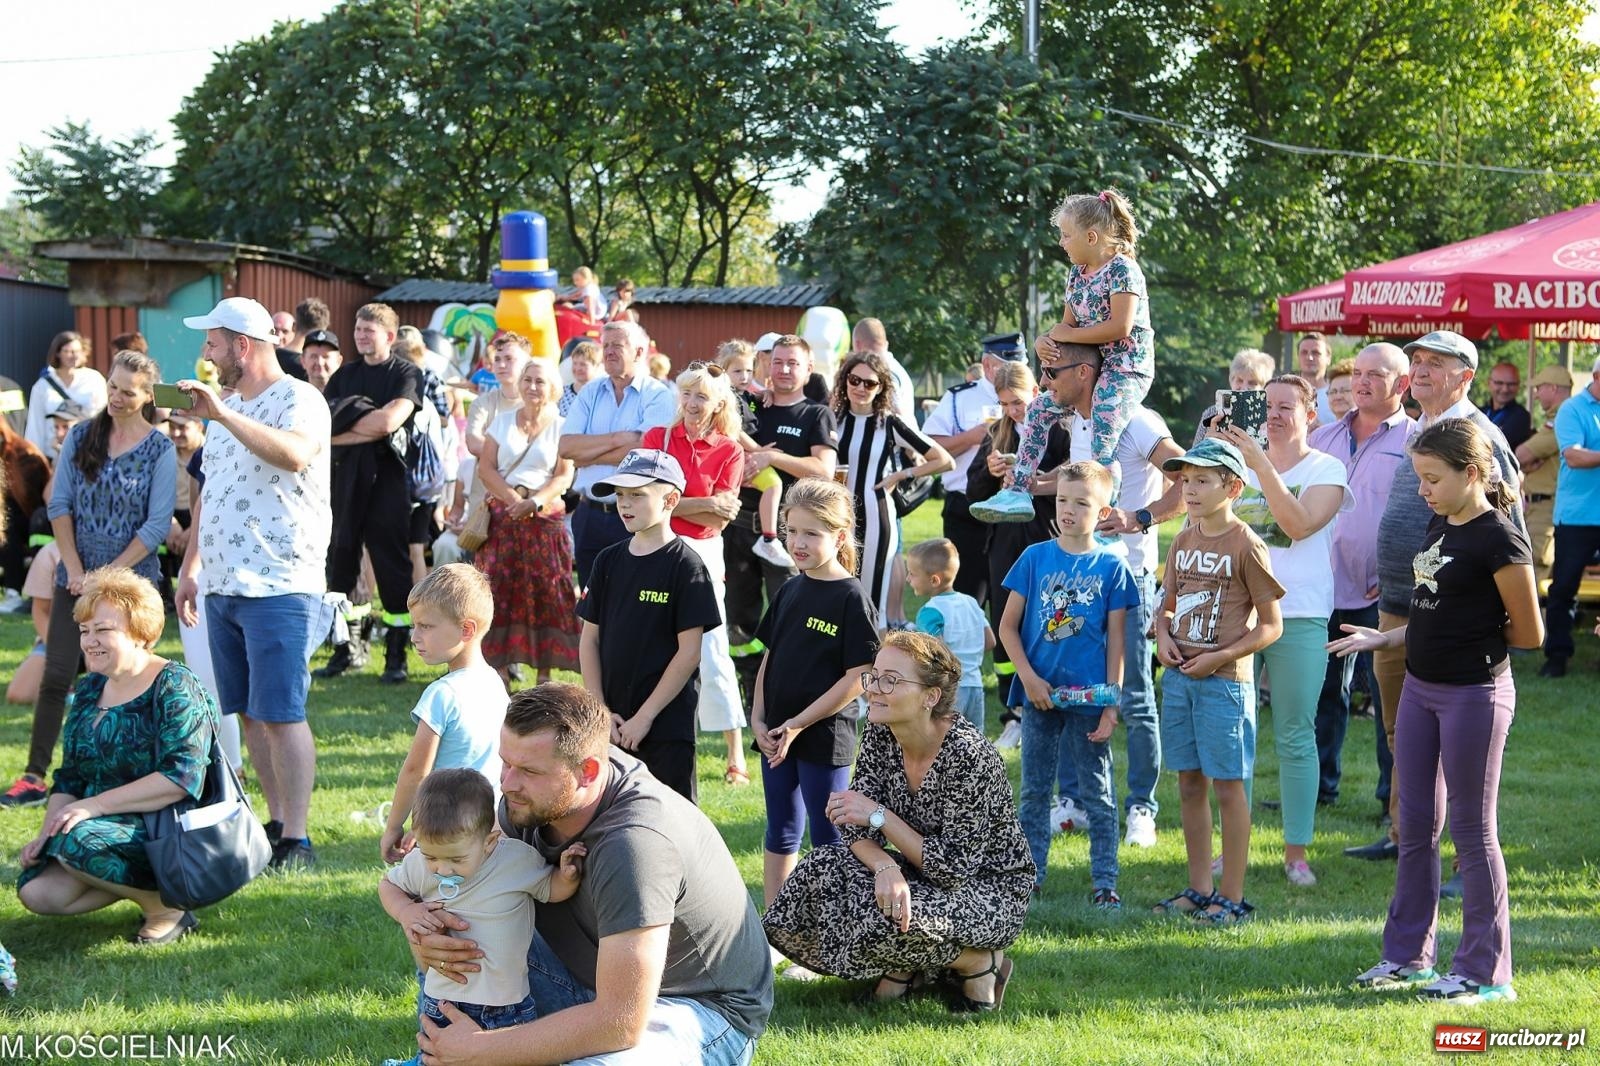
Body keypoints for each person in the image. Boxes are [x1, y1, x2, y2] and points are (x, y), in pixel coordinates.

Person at [411, 683, 774, 1065]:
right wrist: (426, 930)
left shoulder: (635, 844)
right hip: (592, 975)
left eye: (529, 771)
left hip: (701, 1010)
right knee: (457, 930)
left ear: (588, 772)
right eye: (506, 762)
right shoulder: (533, 800)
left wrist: (485, 1049)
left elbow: (621, 1022)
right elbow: (458, 888)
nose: (507, 784)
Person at [1334, 418, 1542, 1005]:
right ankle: (1406, 958)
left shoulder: (1499, 538)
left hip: (1474, 696)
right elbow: (1432, 609)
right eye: (1418, 477)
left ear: (1471, 474)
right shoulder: (1439, 521)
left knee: (1474, 834)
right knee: (1415, 829)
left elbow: (1528, 632)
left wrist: (1457, 638)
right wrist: (1389, 640)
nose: (1422, 489)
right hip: (1420, 691)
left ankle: (1486, 972)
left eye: (1432, 478)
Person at [761, 631, 1033, 1009]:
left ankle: (977, 962)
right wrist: (885, 866)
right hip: (916, 869)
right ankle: (911, 967)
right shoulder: (880, 728)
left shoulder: (971, 758)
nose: (874, 689)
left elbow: (952, 868)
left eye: (891, 680)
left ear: (930, 696)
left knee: (882, 912)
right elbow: (853, 821)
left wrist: (881, 817)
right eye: (875, 676)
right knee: (820, 871)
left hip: (987, 890)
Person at [176, 295, 334, 870]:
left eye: (213, 343)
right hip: (223, 585)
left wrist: (222, 416)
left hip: (280, 582)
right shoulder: (226, 408)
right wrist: (191, 568)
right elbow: (209, 496)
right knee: (246, 711)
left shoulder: (300, 399)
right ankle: (272, 822)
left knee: (282, 711)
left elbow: (294, 455)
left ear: (243, 345)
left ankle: (298, 836)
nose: (207, 354)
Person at [1359, 331, 1521, 864]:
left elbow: (1507, 533)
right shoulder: (1420, 431)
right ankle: (1407, 839)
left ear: (1465, 377)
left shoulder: (1480, 438)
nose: (1421, 369)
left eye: (1437, 362)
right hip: (1401, 604)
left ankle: (1463, 857)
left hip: (1457, 618)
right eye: (1417, 360)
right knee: (1401, 731)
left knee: (1460, 746)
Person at [3, 350, 176, 810]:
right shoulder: (82, 435)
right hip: (74, 578)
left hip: (133, 588)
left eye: (128, 391)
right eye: (113, 388)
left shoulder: (160, 449)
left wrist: (107, 577)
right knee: (57, 674)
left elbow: (157, 524)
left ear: (148, 397)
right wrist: (78, 571)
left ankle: (123, 778)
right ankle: (34, 776)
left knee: (127, 680)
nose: (117, 398)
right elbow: (59, 506)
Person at [16, 567, 216, 945]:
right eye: (84, 631)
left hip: (169, 827)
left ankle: (167, 909)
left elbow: (182, 778)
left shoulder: (174, 685)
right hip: (102, 820)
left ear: (141, 634)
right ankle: (141, 888)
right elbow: (71, 777)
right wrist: (46, 835)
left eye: (103, 630)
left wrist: (94, 807)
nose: (89, 641)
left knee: (78, 843)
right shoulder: (91, 688)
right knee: (35, 890)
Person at [1216, 374, 1351, 886]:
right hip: (1236, 614)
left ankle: (1296, 853)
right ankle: (1233, 851)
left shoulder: (1327, 467)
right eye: (1265, 405)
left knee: (1295, 733)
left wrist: (1259, 464)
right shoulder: (1239, 464)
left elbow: (1296, 525)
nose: (1273, 414)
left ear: (1310, 415)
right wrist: (1215, 451)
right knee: (1235, 737)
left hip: (1300, 613)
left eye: (1285, 406)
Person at [1053, 343, 1188, 848]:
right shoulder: (1077, 422)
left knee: (1133, 698)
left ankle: (1141, 809)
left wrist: (1141, 518)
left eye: (1054, 370)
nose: (1047, 379)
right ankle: (1075, 802)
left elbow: (1185, 476)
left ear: (1084, 372)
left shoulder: (1136, 420)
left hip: (1127, 579)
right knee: (1072, 689)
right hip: (1077, 576)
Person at [1153, 437, 1284, 923]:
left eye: (1202, 480)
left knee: (1228, 786)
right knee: (1189, 782)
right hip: (1181, 680)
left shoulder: (1247, 545)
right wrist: (1163, 635)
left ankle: (1231, 895)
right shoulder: (1184, 539)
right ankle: (1198, 887)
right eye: (1185, 480)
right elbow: (1166, 605)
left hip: (1225, 683)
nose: (1189, 489)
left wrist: (1220, 657)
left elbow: (1272, 627)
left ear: (1232, 487)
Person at [380, 768, 586, 1066]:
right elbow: (388, 885)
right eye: (431, 856)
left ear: (489, 842)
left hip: (508, 1005)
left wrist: (567, 876)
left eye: (456, 859)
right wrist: (406, 910)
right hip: (444, 1001)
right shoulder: (421, 865)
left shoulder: (516, 860)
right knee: (439, 1058)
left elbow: (549, 888)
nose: (442, 869)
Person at [1000, 462, 1138, 904]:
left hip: (1089, 701)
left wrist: (1111, 704)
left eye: (1081, 503)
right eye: (1062, 500)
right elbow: (1007, 628)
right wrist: (1029, 679)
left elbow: (1117, 641)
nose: (1068, 510)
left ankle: (1105, 883)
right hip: (1038, 696)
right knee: (1035, 791)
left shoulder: (1112, 568)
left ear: (1103, 512)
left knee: (1098, 793)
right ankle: (1029, 878)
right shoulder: (1034, 558)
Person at [974, 189, 1154, 521]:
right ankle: (1018, 492)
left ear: (1091, 236)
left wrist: (1068, 334)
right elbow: (1066, 326)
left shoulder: (1123, 270)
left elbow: (1120, 327)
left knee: (1104, 418)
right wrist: (1047, 341)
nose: (1061, 242)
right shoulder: (1076, 274)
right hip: (1087, 365)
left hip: (1124, 369)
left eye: (1066, 235)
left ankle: (1102, 502)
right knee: (1040, 407)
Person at [750, 478, 876, 915]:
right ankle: (776, 926)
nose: (797, 543)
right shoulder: (789, 587)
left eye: (811, 534)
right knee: (781, 829)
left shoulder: (851, 597)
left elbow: (858, 677)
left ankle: (830, 930)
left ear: (840, 537)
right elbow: (770, 656)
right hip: (775, 736)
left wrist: (800, 724)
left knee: (828, 835)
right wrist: (759, 719)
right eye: (791, 531)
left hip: (823, 739)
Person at [1306, 344, 1411, 844]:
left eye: (1376, 375)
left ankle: (1392, 798)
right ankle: (1320, 785)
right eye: (1360, 373)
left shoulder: (1416, 442)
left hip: (1384, 593)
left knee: (1390, 703)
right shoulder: (1322, 436)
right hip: (1322, 587)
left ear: (1402, 385)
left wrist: (1395, 576)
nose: (1362, 383)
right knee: (1323, 693)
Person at [578, 450, 721, 803]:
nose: (625, 504)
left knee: (671, 826)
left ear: (671, 499)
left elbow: (688, 654)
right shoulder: (607, 561)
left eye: (638, 494)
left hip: (665, 727)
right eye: (621, 494)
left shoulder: (687, 567)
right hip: (611, 725)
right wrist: (600, 713)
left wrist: (644, 717)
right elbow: (589, 641)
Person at [641, 363, 753, 786]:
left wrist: (670, 499)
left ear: (719, 403)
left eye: (701, 396)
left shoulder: (729, 449)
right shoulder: (657, 438)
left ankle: (734, 751)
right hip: (657, 546)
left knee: (712, 648)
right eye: (687, 394)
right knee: (652, 643)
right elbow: (646, 499)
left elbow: (722, 518)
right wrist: (696, 501)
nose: (691, 403)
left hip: (704, 552)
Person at [722, 336, 837, 690]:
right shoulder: (749, 406)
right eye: (778, 362)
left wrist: (773, 457)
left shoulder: (816, 413)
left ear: (807, 370)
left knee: (791, 610)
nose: (784, 369)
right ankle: (749, 684)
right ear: (766, 365)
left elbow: (824, 470)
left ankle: (789, 685)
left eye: (793, 363)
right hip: (739, 524)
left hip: (789, 533)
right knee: (738, 615)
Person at [321, 302, 426, 683]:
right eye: (358, 329)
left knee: (392, 568)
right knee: (341, 565)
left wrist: (348, 422)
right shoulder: (343, 376)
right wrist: (355, 424)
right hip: (345, 478)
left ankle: (396, 655)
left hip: (387, 481)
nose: (362, 336)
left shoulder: (406, 373)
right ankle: (346, 649)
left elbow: (387, 422)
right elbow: (322, 428)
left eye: (370, 330)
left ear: (390, 337)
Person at [961, 360, 1061, 749]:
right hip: (1003, 544)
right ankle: (1013, 713)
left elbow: (1077, 480)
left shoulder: (1059, 428)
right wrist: (989, 471)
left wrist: (1035, 479)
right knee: (1006, 627)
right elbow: (972, 493)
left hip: (1045, 539)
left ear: (1036, 393)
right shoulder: (998, 433)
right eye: (1004, 404)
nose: (1012, 412)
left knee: (1048, 623)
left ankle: (1049, 706)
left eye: (1017, 402)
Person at [379, 566, 508, 864]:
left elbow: (415, 771)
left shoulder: (441, 694)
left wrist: (393, 826)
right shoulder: (495, 684)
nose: (414, 637)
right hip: (492, 826)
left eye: (426, 626)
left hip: (446, 831)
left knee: (411, 899)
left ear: (466, 630)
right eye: (414, 626)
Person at [472, 360, 580, 682]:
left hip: (545, 523)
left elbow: (564, 475)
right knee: (499, 594)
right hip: (503, 522)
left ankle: (544, 675)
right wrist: (514, 501)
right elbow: (486, 468)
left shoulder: (563, 426)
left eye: (540, 382)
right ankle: (500, 672)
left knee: (547, 593)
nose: (533, 387)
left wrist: (535, 501)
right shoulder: (502, 422)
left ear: (553, 388)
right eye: (528, 380)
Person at [830, 350, 953, 624]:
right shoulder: (831, 419)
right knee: (835, 594)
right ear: (844, 381)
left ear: (881, 387)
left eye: (870, 383)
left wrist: (902, 474)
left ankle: (873, 665)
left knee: (873, 602)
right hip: (835, 517)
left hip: (877, 516)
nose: (861, 387)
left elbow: (944, 460)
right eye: (854, 380)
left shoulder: (889, 423)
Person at [559, 319, 676, 587]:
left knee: (632, 598)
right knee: (591, 601)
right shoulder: (590, 391)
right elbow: (566, 448)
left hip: (636, 516)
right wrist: (619, 437)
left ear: (638, 352)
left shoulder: (657, 395)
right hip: (588, 515)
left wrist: (588, 455)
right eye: (606, 345)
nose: (609, 351)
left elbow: (647, 451)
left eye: (617, 345)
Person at [921, 333, 1026, 604]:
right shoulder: (959, 398)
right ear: (988, 365)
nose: (1014, 370)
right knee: (967, 599)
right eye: (1006, 364)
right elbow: (928, 446)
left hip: (1015, 513)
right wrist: (972, 436)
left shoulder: (1032, 397)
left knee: (1012, 600)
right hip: (967, 511)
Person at [1540, 353, 1600, 678]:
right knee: (1564, 588)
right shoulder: (1572, 409)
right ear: (1596, 376)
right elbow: (1574, 457)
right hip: (1577, 516)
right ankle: (1557, 656)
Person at [905, 538, 993, 730]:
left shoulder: (930, 611)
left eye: (912, 574)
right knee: (973, 745)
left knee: (942, 744)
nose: (908, 579)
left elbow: (937, 653)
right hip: (975, 686)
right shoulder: (971, 603)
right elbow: (990, 641)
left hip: (950, 690)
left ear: (934, 580)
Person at [1513, 365, 1573, 587]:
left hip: (1546, 510)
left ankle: (1536, 623)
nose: (1535, 394)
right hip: (1539, 507)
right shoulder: (1561, 417)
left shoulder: (1564, 419)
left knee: (1536, 575)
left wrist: (1526, 463)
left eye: (1539, 388)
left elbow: (1520, 454)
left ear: (1553, 388)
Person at [25, 331, 107, 459]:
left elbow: (103, 416)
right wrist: (35, 457)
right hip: (54, 455)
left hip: (88, 453)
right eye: (68, 351)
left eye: (77, 351)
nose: (73, 356)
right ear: (57, 353)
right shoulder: (42, 386)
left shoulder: (94, 380)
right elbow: (35, 424)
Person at [1193, 349, 1276, 445]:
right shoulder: (1211, 414)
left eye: (1252, 383)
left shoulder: (1272, 417)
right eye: (1239, 380)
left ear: (1264, 387)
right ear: (1231, 380)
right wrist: (1207, 443)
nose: (1244, 388)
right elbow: (1192, 456)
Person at [1481, 361, 1533, 449]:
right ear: (1489, 383)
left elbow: (1496, 446)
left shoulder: (1521, 416)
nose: (1505, 389)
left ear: (1518, 385)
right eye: (1499, 383)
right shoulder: (1480, 412)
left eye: (1511, 384)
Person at [1296, 333, 1336, 425]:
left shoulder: (1338, 395)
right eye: (1304, 352)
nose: (1309, 357)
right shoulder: (1287, 393)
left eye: (1316, 353)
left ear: (1328, 358)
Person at [558, 339, 600, 418]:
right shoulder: (561, 394)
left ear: (595, 366)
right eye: (575, 363)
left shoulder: (600, 395)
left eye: (583, 364)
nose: (578, 368)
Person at [301, 329, 343, 393]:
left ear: (338, 361)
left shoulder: (347, 396)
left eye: (326, 356)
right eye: (314, 356)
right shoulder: (295, 396)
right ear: (303, 361)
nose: (320, 362)